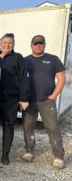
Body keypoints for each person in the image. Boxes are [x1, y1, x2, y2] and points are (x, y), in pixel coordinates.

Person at [21, 35, 66, 169]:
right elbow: (20, 79)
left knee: (52, 128)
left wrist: (53, 96)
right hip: (29, 101)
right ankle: (29, 151)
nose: (38, 46)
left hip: (47, 100)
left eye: (41, 44)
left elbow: (61, 79)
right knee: (27, 127)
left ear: (44, 45)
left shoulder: (53, 59)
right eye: (36, 44)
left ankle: (58, 156)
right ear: (31, 46)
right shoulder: (25, 60)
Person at [0, 33, 29, 165]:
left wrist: (23, 97)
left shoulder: (18, 58)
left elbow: (24, 77)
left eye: (10, 43)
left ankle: (5, 154)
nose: (7, 45)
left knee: (8, 125)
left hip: (10, 99)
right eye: (5, 42)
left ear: (13, 45)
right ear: (0, 44)